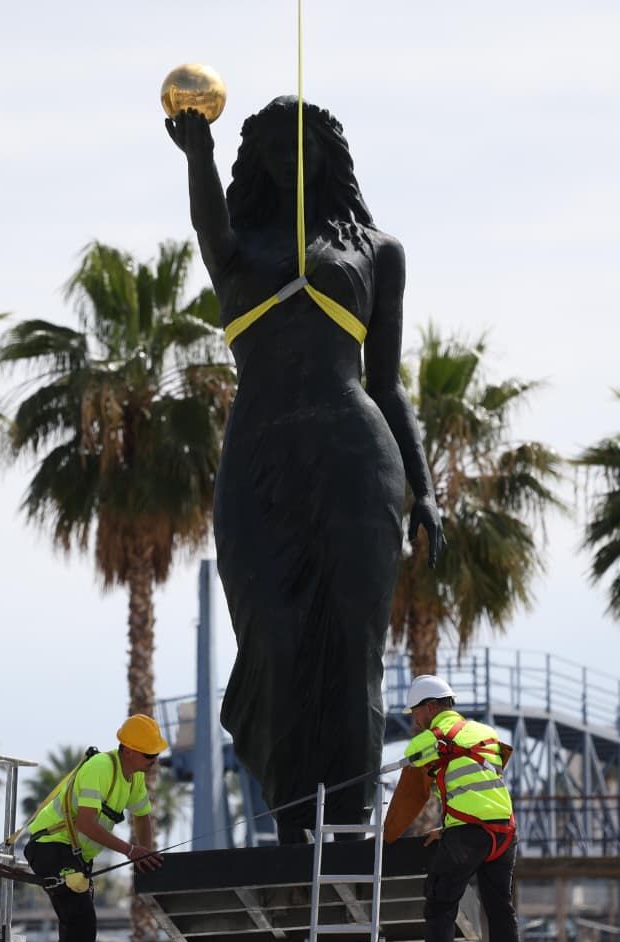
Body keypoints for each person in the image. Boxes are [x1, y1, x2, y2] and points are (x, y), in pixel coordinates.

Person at [167, 97, 444, 840]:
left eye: (303, 145)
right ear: (254, 160)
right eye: (274, 148)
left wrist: (425, 488)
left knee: (355, 643)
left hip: (358, 458)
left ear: (327, 154)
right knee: (274, 637)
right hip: (259, 457)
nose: (291, 159)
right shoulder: (236, 246)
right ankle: (292, 828)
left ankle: (350, 824)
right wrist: (198, 153)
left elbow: (387, 386)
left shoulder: (379, 251)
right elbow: (207, 223)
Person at [383, 674, 520, 942]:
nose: (415, 720)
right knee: (500, 910)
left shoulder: (431, 739)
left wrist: (388, 836)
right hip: (503, 834)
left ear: (430, 707)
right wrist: (447, 829)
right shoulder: (485, 732)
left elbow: (412, 793)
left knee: (440, 903)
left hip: (468, 835)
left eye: (416, 712)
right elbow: (480, 789)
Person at [22, 715, 167, 942]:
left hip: (74, 855)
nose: (154, 760)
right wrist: (130, 851)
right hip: (50, 846)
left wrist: (144, 855)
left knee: (78, 917)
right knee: (80, 915)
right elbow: (85, 823)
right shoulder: (100, 768)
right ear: (128, 750)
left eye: (157, 754)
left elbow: (142, 817)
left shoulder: (134, 778)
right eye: (149, 754)